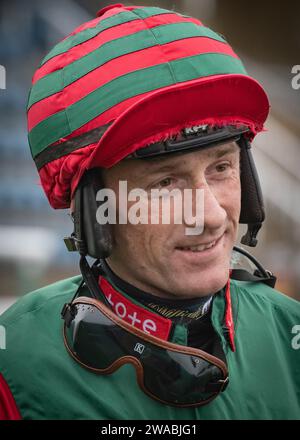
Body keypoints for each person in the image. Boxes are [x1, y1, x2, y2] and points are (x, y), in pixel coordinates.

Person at [0, 3, 299, 420]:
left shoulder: (291, 333)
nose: (211, 217)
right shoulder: (13, 362)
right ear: (94, 211)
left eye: (221, 167)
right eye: (165, 184)